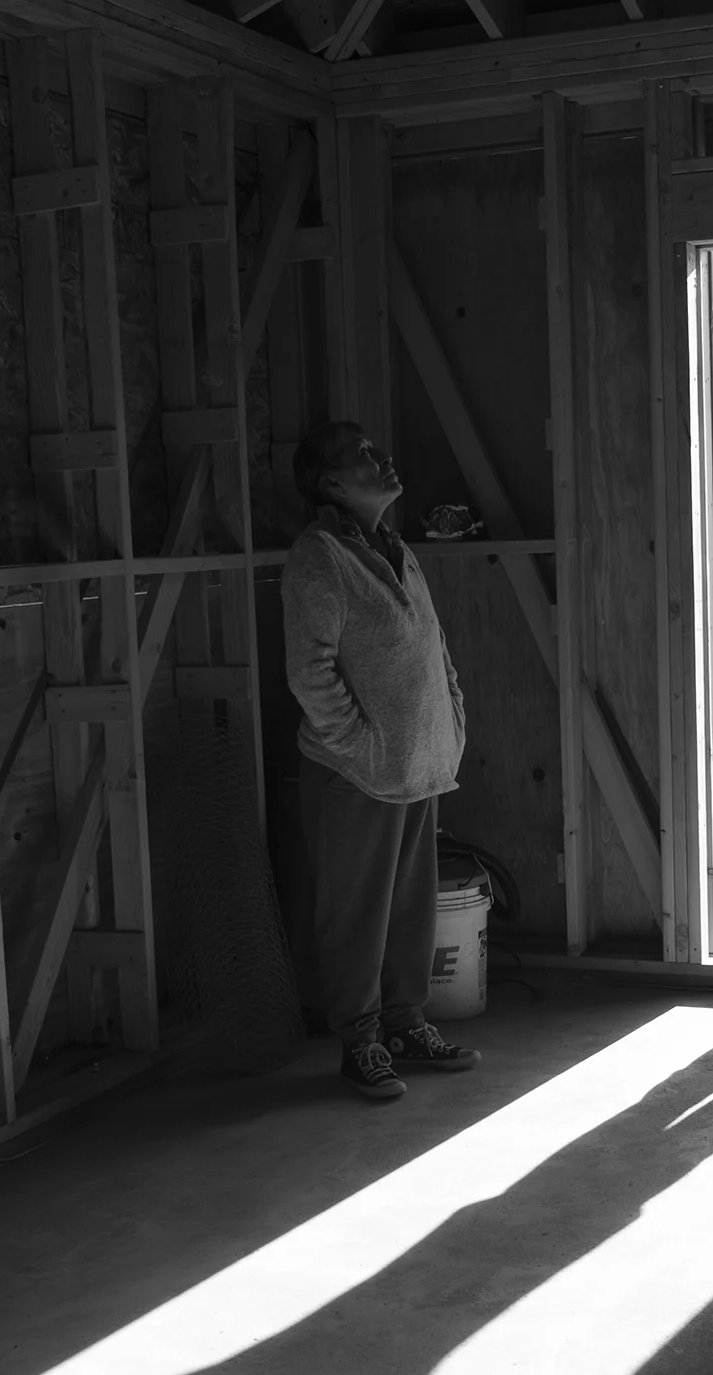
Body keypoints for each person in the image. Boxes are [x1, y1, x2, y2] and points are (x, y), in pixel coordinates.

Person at [283, 422, 481, 1101]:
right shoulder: (321, 557)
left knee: (408, 910)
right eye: (364, 455)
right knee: (356, 913)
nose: (384, 459)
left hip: (418, 763)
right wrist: (361, 745)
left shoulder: (393, 547)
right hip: (356, 772)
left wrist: (450, 721)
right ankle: (359, 1041)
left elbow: (435, 647)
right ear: (331, 482)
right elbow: (310, 675)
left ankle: (404, 1023)